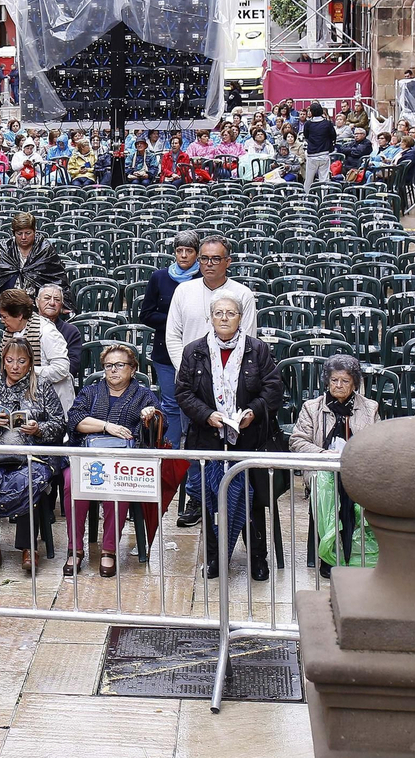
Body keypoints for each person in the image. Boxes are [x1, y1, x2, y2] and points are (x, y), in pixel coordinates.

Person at [176, 295, 284, 581]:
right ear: (210, 318)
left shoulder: (257, 349)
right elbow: (183, 393)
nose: (224, 318)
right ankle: (215, 558)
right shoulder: (194, 351)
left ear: (240, 318)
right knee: (214, 502)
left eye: (231, 313)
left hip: (249, 439)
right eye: (219, 313)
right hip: (208, 438)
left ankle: (257, 558)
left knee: (251, 500)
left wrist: (253, 411)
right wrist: (206, 414)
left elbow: (273, 390)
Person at [65, 343, 168, 577]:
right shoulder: (91, 392)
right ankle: (75, 549)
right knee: (72, 483)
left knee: (118, 485)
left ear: (133, 369)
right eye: (108, 366)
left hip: (124, 461)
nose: (113, 370)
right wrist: (107, 426)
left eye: (120, 365)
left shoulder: (143, 394)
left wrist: (149, 417)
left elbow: (161, 426)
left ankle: (109, 550)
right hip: (88, 457)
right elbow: (75, 420)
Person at [0, 337, 68, 572]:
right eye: (10, 361)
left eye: (21, 361)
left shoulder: (41, 385)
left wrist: (38, 429)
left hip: (33, 454)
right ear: (3, 362)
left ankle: (28, 547)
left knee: (29, 480)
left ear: (30, 363)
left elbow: (60, 425)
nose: (15, 366)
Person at [289, 355, 379, 576]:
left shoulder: (369, 408)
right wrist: (323, 454)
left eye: (345, 381)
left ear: (355, 383)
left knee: (360, 489)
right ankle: (330, 555)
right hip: (323, 469)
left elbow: (378, 443)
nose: (338, 385)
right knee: (328, 488)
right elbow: (297, 441)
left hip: (356, 468)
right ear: (327, 382)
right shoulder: (312, 408)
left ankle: (356, 553)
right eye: (334, 380)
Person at [139, 231, 203, 525]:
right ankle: (171, 461)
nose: (183, 256)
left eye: (188, 251)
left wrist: (184, 321)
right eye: (179, 250)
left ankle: (193, 471)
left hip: (196, 355)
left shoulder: (204, 279)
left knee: (195, 410)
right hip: (165, 353)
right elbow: (146, 314)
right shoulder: (159, 278)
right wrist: (173, 320)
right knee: (171, 406)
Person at [166, 235, 258, 371]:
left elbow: (247, 339)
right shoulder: (183, 290)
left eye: (215, 259)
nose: (209, 263)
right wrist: (185, 368)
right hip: (189, 374)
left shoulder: (243, 294)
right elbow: (173, 335)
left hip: (231, 376)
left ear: (227, 262)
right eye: (204, 258)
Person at [0, 212, 67, 317]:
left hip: (36, 307)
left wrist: (66, 304)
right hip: (6, 306)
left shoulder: (44, 249)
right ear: (13, 233)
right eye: (19, 234)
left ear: (35, 232)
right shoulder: (3, 249)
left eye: (28, 233)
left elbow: (57, 278)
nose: (24, 237)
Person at [0, 288, 73, 413]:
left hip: (52, 403)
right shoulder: (9, 333)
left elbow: (62, 369)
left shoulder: (47, 331)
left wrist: (29, 371)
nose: (2, 321)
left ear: (19, 316)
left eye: (5, 317)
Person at [37, 285, 82, 378]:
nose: (52, 303)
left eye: (57, 300)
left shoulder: (71, 331)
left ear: (61, 305)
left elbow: (72, 367)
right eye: (47, 298)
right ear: (37, 302)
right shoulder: (27, 326)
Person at [303, 103, 338, 188]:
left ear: (311, 112)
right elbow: (333, 136)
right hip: (324, 154)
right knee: (324, 179)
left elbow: (306, 136)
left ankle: (307, 198)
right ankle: (323, 198)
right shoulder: (328, 123)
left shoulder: (308, 124)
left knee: (308, 179)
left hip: (312, 155)